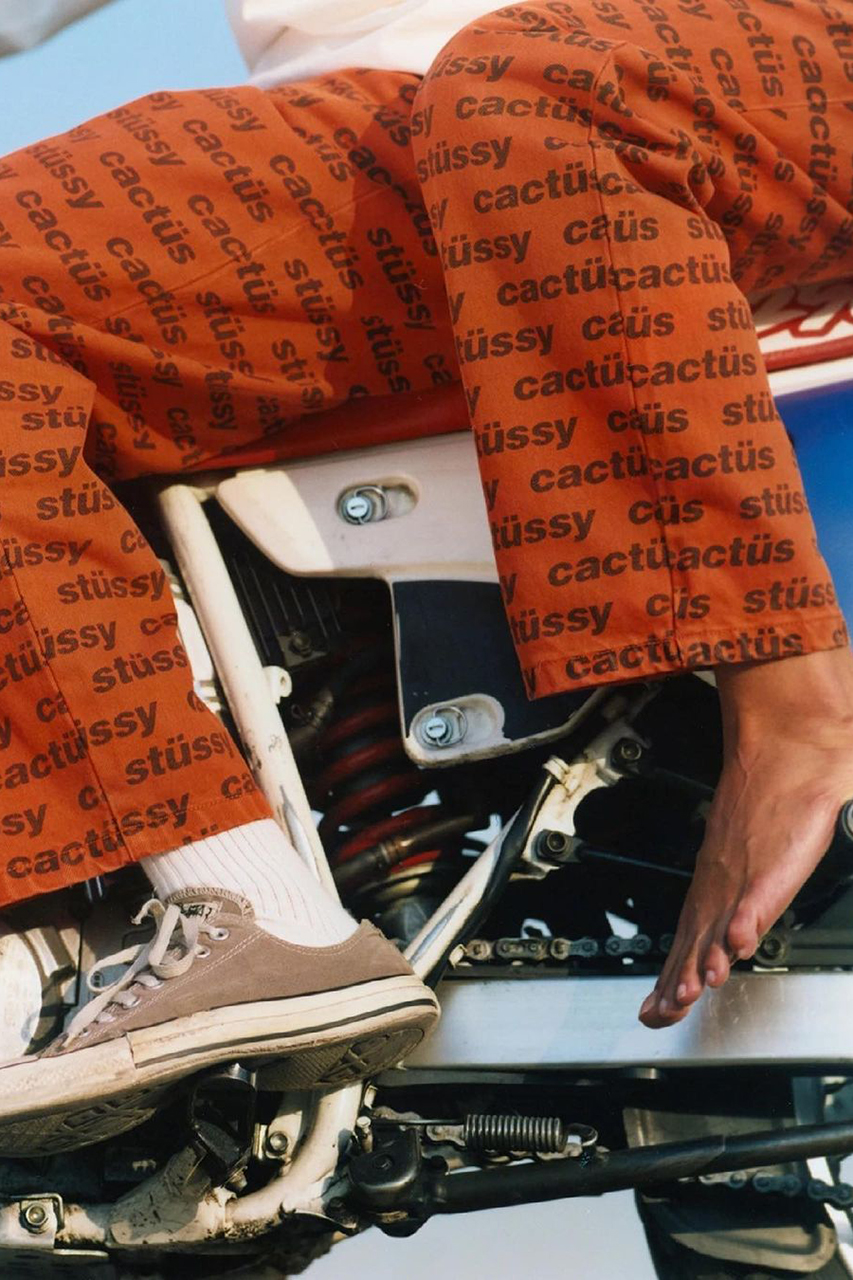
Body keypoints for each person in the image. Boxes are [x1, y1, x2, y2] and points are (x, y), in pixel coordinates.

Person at [0, 0, 851, 1150]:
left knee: (526, 85)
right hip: (389, 139)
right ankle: (187, 908)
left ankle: (794, 708)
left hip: (706, 70)